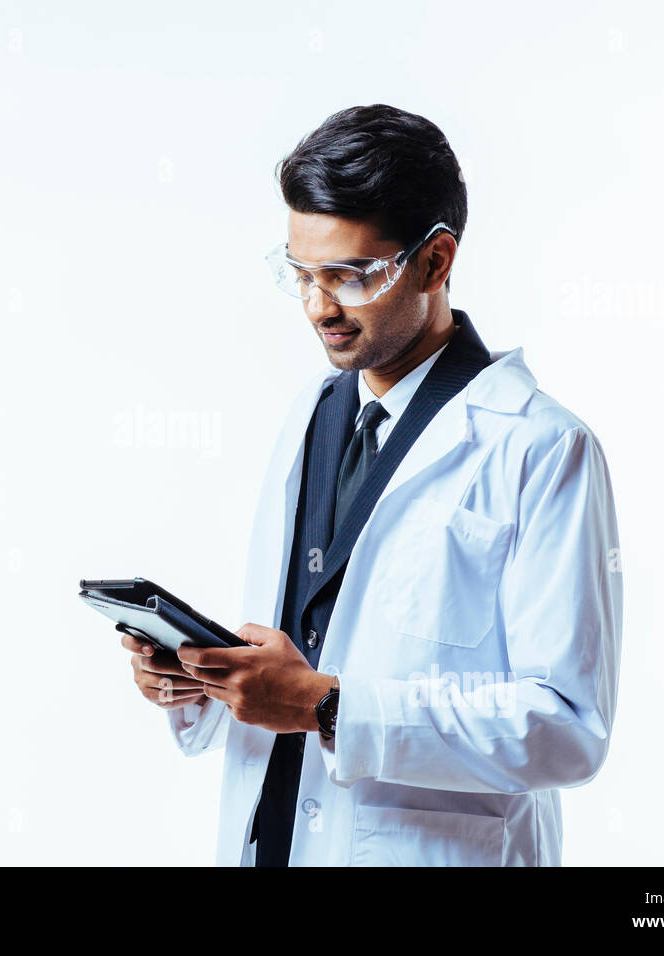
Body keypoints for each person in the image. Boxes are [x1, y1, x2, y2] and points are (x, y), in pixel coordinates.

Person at [122, 104, 623, 866]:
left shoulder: (542, 446)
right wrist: (206, 676)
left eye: (351, 275)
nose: (321, 307)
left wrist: (328, 707)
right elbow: (308, 643)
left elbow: (566, 728)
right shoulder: (313, 415)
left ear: (435, 261)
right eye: (302, 274)